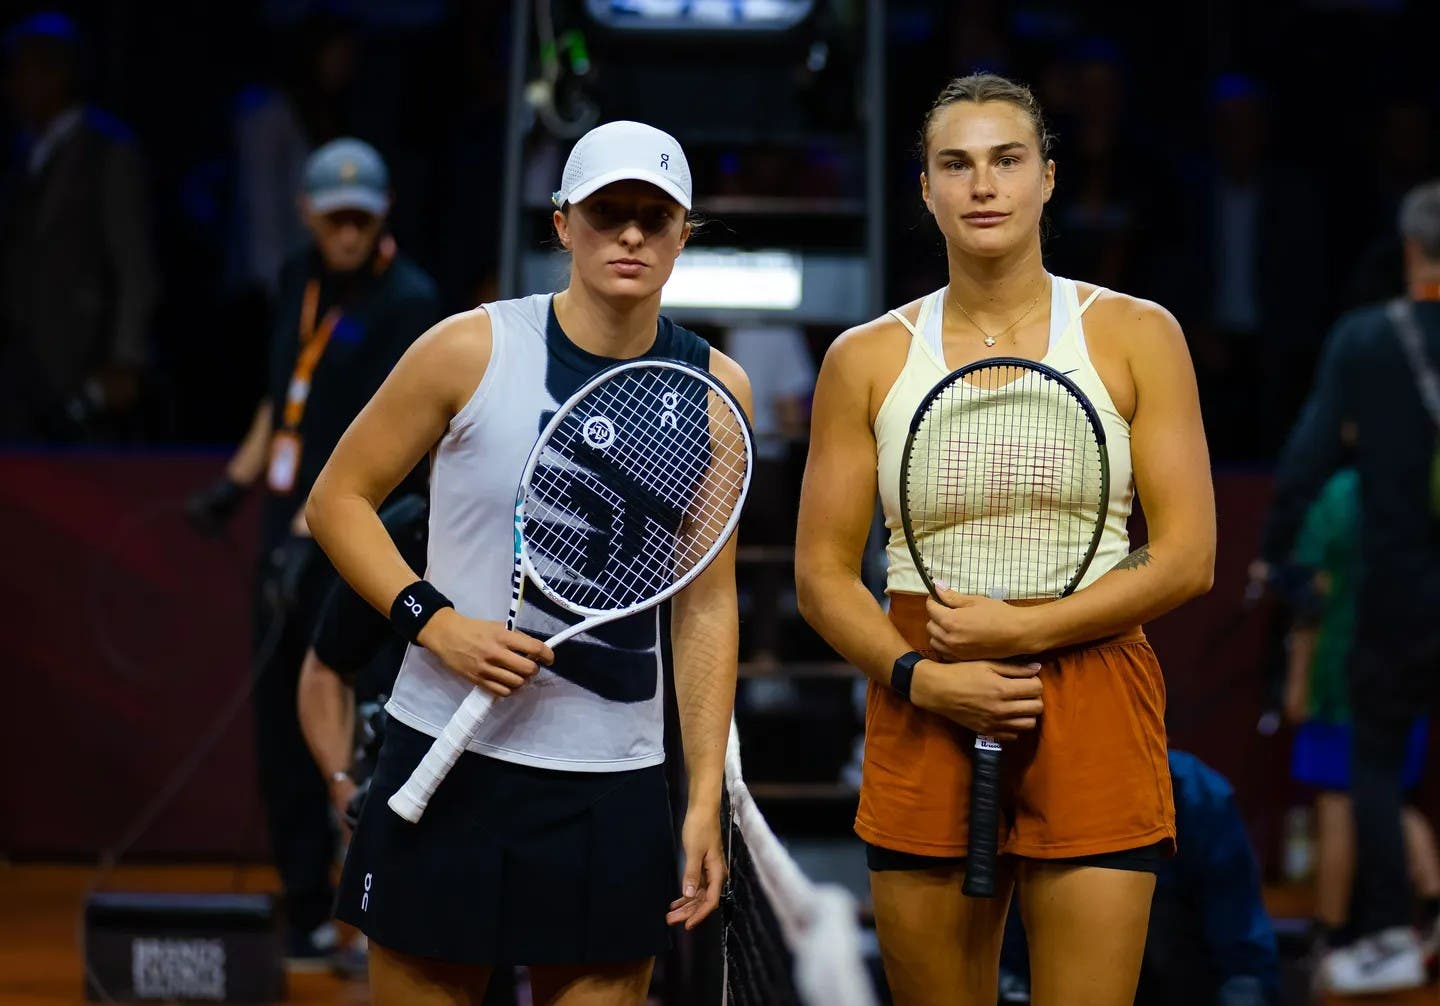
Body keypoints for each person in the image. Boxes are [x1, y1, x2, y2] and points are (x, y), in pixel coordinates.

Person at [305, 120, 751, 1004]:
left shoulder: (716, 390)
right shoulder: (469, 348)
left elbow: (705, 604)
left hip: (612, 786)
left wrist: (704, 796)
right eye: (606, 211)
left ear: (683, 232)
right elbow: (336, 501)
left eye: (653, 217)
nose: (629, 234)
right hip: (446, 756)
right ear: (561, 224)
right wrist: (434, 624)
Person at [794, 73, 1215, 1006]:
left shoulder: (1138, 334)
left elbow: (1188, 555)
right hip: (925, 687)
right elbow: (822, 576)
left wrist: (1023, 635)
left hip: (1093, 682)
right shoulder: (863, 358)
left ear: (1048, 181)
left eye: (1007, 160)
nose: (983, 184)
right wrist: (920, 677)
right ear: (927, 191)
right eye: (957, 163)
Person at [186, 136, 442, 967]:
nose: (346, 231)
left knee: (362, 719)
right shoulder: (295, 279)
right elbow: (282, 397)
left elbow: (409, 444)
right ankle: (304, 909)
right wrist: (236, 483)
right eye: (333, 216)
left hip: (357, 538)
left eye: (360, 217)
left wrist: (318, 528)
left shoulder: (412, 303)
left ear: (383, 215)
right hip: (285, 531)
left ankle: (371, 910)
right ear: (306, 213)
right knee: (279, 722)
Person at [1256, 181, 1440, 993]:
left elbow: (1304, 459)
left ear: (1410, 250)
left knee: (1370, 766)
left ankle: (1390, 935)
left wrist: (1278, 560)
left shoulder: (1369, 340)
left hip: (1399, 591)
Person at [1281, 464, 1440, 961]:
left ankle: (1329, 938)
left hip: (1343, 679)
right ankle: (1432, 907)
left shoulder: (1344, 494)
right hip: (1410, 676)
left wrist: (1298, 681)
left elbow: (1312, 597)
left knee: (1336, 803)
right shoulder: (1424, 484)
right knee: (1389, 795)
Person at [0, 11, 158, 442]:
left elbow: (132, 261)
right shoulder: (24, 152)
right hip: (22, 359)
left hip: (83, 359)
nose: (12, 86)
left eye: (23, 71)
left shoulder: (106, 150)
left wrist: (126, 356)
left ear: (59, 74)